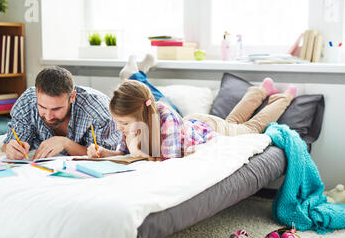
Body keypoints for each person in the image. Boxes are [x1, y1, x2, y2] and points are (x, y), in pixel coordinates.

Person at [87, 56, 296, 160]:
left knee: (250, 128)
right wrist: (103, 153)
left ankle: (283, 98)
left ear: (141, 115)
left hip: (210, 128)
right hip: (195, 122)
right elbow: (122, 155)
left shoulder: (166, 120)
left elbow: (167, 162)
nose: (120, 128)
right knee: (233, 122)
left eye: (123, 124)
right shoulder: (132, 124)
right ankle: (259, 91)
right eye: (118, 123)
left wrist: (136, 150)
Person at [2, 66, 122, 160]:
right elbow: (9, 143)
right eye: (42, 107)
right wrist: (11, 149)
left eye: (56, 109)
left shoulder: (98, 111)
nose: (48, 116)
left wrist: (66, 143)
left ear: (72, 97)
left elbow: (105, 156)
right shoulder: (27, 101)